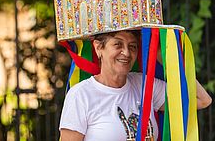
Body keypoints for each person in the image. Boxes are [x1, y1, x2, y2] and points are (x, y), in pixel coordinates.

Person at [59, 30, 212, 141]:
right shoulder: (80, 95)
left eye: (132, 46)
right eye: (118, 44)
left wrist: (163, 56)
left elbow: (202, 100)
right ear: (98, 47)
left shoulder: (144, 85)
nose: (126, 52)